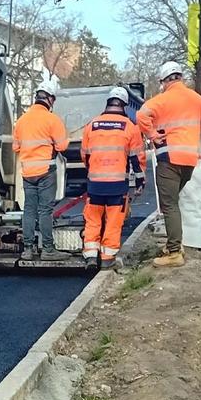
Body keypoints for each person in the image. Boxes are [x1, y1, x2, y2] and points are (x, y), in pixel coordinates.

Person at [136, 61, 201, 267]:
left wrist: (152, 134)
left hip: (169, 159)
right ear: (180, 77)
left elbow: (141, 115)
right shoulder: (196, 99)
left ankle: (174, 252)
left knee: (169, 205)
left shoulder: (162, 99)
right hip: (189, 161)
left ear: (164, 81)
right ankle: (175, 244)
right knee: (174, 202)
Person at [80, 87, 147, 269]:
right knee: (113, 221)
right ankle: (107, 257)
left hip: (95, 185)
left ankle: (91, 255)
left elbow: (85, 155)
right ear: (124, 105)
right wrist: (140, 182)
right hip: (117, 186)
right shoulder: (130, 128)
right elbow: (137, 159)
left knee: (93, 219)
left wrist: (93, 170)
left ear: (108, 102)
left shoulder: (91, 125)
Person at [13, 79, 69, 260]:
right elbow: (62, 147)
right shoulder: (52, 119)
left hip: (27, 173)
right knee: (45, 210)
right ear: (50, 99)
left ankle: (28, 249)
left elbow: (16, 147)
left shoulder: (21, 121)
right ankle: (48, 249)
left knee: (29, 210)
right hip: (46, 171)